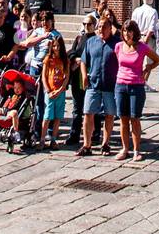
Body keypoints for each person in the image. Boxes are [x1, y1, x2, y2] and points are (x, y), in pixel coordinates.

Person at [114, 20, 159, 162]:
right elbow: (119, 63)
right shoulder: (118, 46)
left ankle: (136, 150)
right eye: (125, 31)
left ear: (135, 32)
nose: (127, 34)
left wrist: (147, 69)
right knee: (123, 119)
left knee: (135, 119)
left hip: (136, 86)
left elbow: (157, 59)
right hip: (120, 85)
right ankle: (124, 148)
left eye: (130, 31)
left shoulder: (142, 47)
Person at [78, 14, 119, 156]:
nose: (101, 29)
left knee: (109, 114)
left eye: (105, 27)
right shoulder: (91, 42)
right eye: (100, 27)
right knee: (88, 113)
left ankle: (105, 144)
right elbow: (84, 60)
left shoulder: (117, 44)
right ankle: (86, 145)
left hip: (110, 85)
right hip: (93, 84)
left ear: (110, 29)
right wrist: (84, 75)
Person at [66, 14, 98, 146]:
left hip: (90, 76)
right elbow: (71, 52)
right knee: (77, 107)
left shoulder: (96, 39)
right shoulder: (79, 38)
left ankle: (95, 134)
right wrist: (76, 58)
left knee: (92, 108)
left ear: (94, 25)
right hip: (76, 76)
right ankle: (74, 134)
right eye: (84, 24)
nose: (86, 26)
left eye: (89, 24)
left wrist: (84, 61)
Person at [40, 35, 69, 149]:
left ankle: (53, 139)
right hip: (50, 91)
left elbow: (66, 77)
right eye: (54, 46)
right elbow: (44, 76)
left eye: (58, 46)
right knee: (47, 117)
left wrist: (61, 89)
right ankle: (42, 139)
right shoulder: (48, 59)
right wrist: (48, 89)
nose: (56, 48)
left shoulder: (65, 60)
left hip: (60, 92)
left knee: (58, 117)